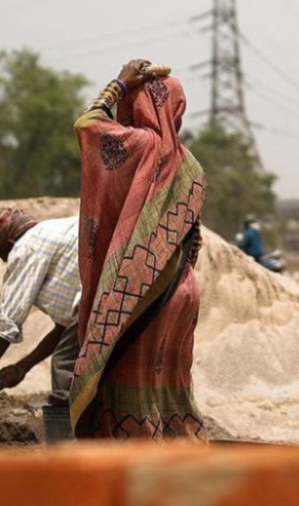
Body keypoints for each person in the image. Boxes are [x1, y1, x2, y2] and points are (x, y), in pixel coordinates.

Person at [69, 60, 208, 441]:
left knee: (128, 390)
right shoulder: (189, 164)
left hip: (141, 292)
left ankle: (138, 473)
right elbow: (192, 241)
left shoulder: (140, 145)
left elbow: (86, 125)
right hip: (181, 286)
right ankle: (183, 458)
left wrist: (118, 83)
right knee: (167, 387)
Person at [0, 208, 80, 442]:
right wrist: (23, 366)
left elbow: (7, 324)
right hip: (110, 295)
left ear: (8, 243)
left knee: (64, 368)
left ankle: (62, 451)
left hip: (96, 302)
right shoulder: (53, 235)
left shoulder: (26, 247)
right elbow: (63, 329)